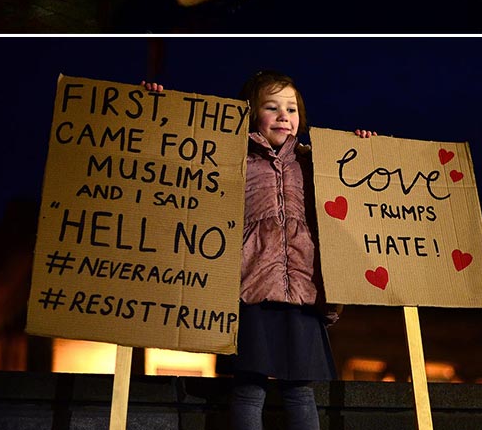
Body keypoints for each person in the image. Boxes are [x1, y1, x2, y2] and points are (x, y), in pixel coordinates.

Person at [144, 72, 373, 430]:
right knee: (249, 389)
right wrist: (152, 107)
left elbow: (355, 184)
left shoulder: (314, 164)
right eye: (272, 107)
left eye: (291, 109)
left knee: (300, 390)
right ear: (251, 114)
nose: (284, 116)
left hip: (302, 294)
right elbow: (176, 159)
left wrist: (362, 148)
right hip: (250, 290)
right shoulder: (232, 159)